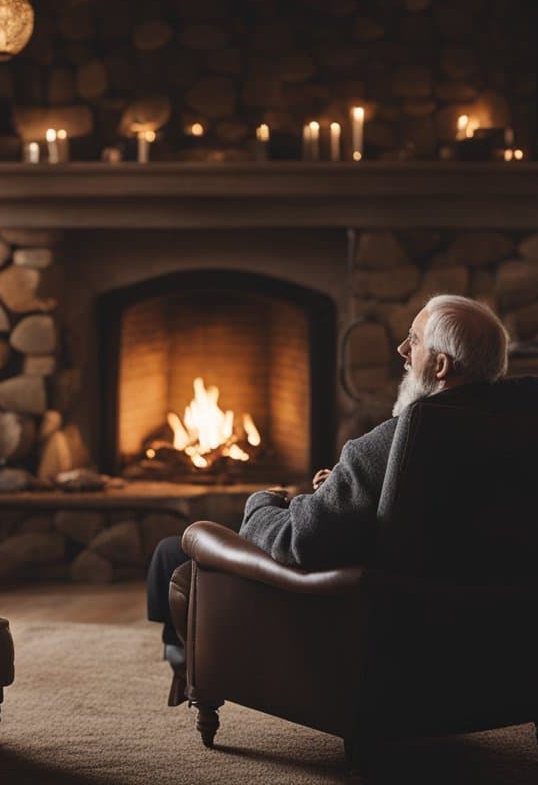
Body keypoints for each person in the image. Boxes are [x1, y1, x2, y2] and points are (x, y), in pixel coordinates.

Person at [146, 295, 509, 701]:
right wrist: (339, 490)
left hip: (350, 617)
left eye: (415, 339)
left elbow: (299, 541)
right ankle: (182, 655)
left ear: (440, 366)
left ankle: (188, 662)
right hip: (462, 634)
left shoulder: (388, 447)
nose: (402, 350)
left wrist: (265, 502)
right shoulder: (515, 433)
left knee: (171, 554)